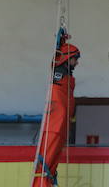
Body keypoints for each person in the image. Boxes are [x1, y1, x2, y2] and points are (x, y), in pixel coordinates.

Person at [32, 35, 80, 187]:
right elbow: (57, 58)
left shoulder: (65, 78)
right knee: (47, 159)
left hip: (61, 124)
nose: (77, 63)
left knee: (52, 160)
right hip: (55, 124)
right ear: (67, 58)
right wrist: (61, 44)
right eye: (75, 59)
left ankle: (46, 181)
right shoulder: (58, 75)